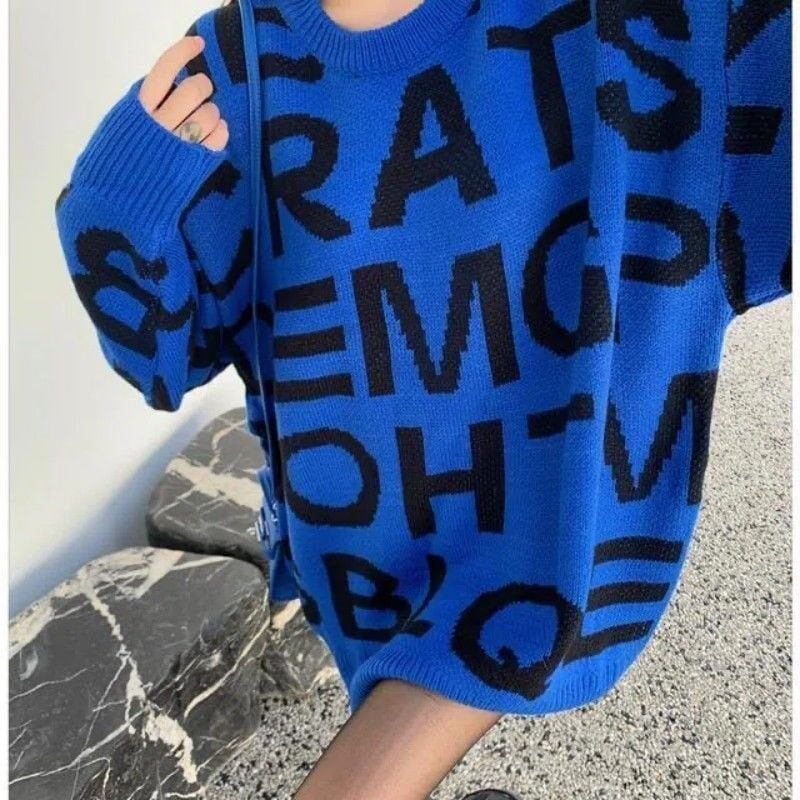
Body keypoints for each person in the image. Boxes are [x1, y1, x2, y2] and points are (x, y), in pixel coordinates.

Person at [53, 1, 790, 798]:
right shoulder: (239, 66)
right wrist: (116, 199)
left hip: (550, 562)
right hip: (358, 576)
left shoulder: (645, 24)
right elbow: (162, 361)